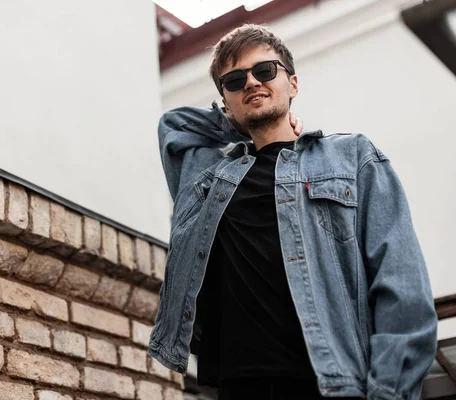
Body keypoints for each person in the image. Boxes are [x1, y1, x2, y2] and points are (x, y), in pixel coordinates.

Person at [148, 24, 437, 400]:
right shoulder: (209, 178)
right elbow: (173, 126)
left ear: (293, 83)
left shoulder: (351, 157)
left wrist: (389, 392)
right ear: (225, 100)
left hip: (331, 383)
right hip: (239, 385)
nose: (251, 82)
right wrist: (233, 123)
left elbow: (402, 286)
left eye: (265, 71)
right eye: (235, 81)